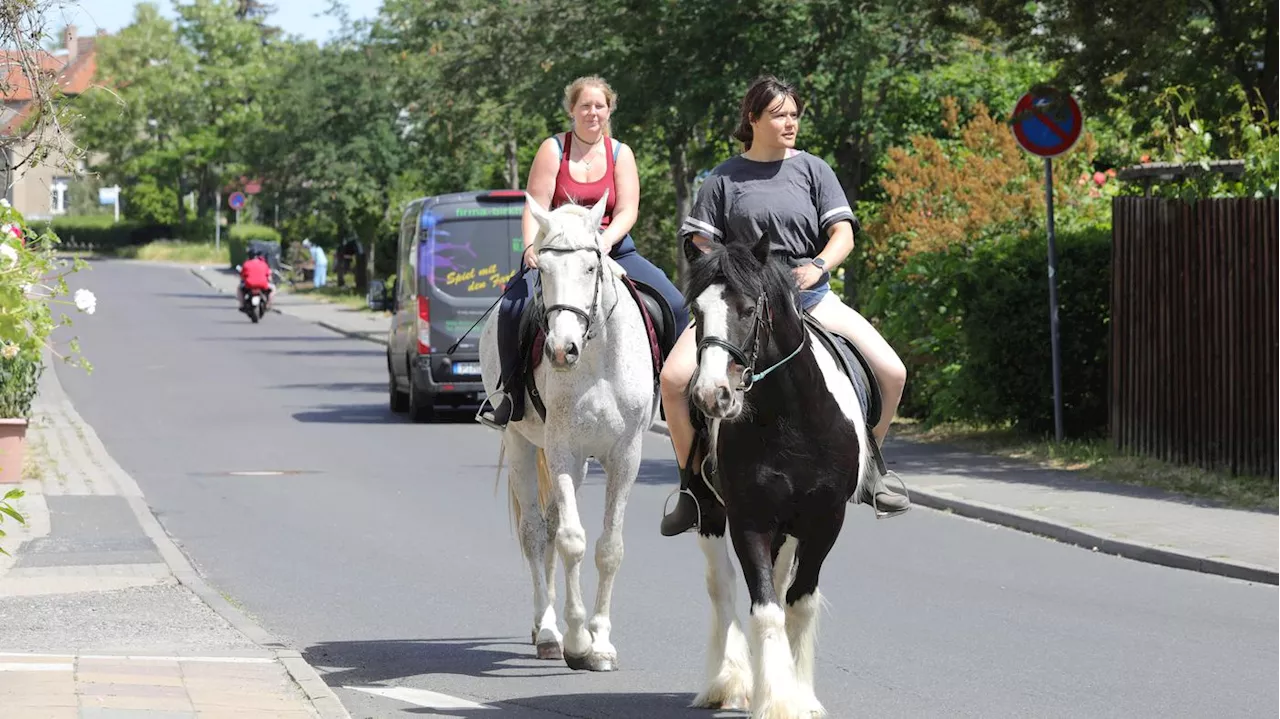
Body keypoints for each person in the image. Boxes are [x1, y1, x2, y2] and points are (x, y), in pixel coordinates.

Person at [658, 75, 912, 537]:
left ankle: (871, 467)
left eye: (794, 113)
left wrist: (818, 264)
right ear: (752, 119)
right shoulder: (722, 179)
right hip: (740, 309)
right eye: (779, 114)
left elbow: (844, 235)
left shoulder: (815, 170)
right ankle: (691, 483)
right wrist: (736, 271)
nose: (790, 122)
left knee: (893, 373)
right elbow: (699, 240)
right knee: (673, 381)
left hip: (810, 300)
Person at [480, 75, 688, 428]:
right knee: (513, 307)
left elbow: (628, 210)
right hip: (559, 254)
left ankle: (673, 398)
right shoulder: (553, 150)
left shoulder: (621, 153)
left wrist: (605, 242)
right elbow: (535, 205)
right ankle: (511, 396)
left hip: (612, 249)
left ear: (609, 110)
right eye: (585, 106)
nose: (593, 113)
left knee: (676, 304)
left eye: (600, 106)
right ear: (572, 111)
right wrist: (531, 245)